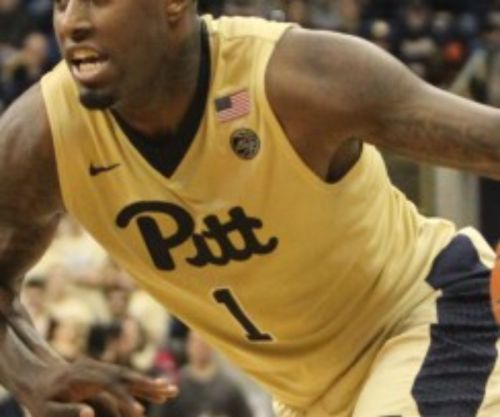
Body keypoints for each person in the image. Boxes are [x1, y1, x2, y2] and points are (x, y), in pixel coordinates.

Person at [3, 1, 500, 416]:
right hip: (307, 397)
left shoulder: (294, 78)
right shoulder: (43, 137)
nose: (71, 21)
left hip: (428, 318)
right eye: (62, 2)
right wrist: (31, 374)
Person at [149, 331, 254, 417]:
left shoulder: (229, 387)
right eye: (196, 342)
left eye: (204, 343)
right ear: (188, 345)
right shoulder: (174, 385)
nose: (200, 348)